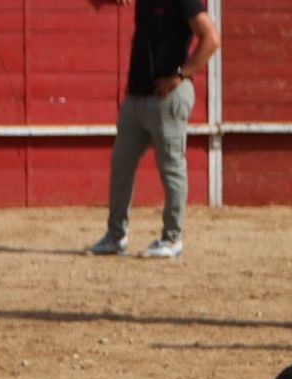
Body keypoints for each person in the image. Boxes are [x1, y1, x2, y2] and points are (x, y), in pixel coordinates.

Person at [87, 0, 220, 260]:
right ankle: (115, 236)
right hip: (136, 96)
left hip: (168, 95)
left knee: (171, 168)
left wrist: (181, 73)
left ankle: (172, 238)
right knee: (121, 165)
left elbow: (211, 38)